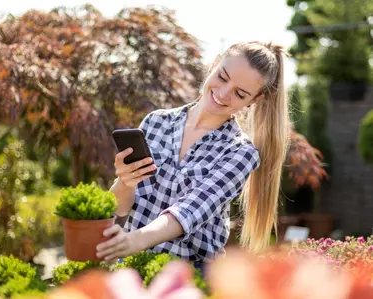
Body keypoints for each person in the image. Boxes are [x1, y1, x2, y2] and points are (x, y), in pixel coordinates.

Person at [96, 41, 290, 270]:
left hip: (190, 274)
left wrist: (131, 241)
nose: (223, 94)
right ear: (215, 63)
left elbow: (187, 212)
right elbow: (119, 208)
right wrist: (125, 182)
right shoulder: (156, 122)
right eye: (223, 77)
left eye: (239, 94)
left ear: (254, 100)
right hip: (130, 265)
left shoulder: (240, 153)